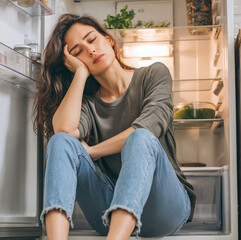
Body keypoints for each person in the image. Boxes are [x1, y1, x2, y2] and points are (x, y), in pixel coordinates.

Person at [33, 13, 196, 240]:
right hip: (110, 215)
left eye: (91, 40)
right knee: (59, 141)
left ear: (108, 39)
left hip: (165, 210)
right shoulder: (88, 103)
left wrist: (93, 151)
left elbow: (149, 128)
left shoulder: (154, 75)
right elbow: (65, 131)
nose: (89, 51)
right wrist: (81, 73)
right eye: (78, 52)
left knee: (140, 137)